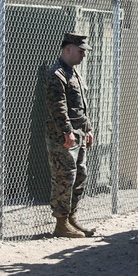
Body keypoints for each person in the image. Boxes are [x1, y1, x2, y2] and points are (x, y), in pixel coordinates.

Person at [45, 33, 96, 238]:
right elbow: (58, 108)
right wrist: (67, 131)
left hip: (79, 134)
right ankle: (61, 222)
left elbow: (81, 106)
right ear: (68, 49)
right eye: (80, 51)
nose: (83, 55)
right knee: (64, 177)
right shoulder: (56, 74)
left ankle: (71, 218)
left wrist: (89, 129)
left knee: (80, 176)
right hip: (64, 136)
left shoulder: (74, 74)